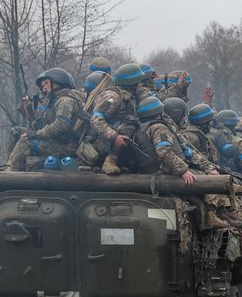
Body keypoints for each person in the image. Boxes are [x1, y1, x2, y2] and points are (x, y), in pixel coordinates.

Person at [137, 96, 229, 229]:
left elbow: (187, 151)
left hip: (159, 170)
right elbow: (163, 151)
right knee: (209, 180)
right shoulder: (159, 128)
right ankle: (211, 215)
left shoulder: (143, 127)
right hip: (166, 171)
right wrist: (184, 171)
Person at [6, 67, 82, 171]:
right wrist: (29, 111)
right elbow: (40, 124)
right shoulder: (52, 101)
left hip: (67, 146)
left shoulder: (65, 100)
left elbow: (60, 125)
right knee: (16, 131)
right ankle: (9, 166)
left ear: (57, 82)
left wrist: (36, 134)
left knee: (26, 142)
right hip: (55, 140)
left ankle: (9, 174)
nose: (43, 87)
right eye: (42, 85)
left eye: (46, 83)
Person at [90, 62, 149, 175]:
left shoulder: (131, 97)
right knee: (129, 124)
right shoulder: (113, 96)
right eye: (139, 82)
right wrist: (114, 136)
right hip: (102, 144)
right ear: (133, 83)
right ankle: (110, 161)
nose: (141, 85)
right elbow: (96, 119)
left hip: (122, 145)